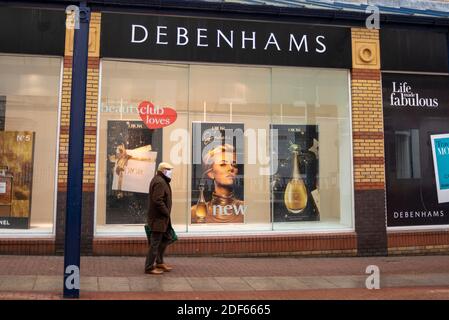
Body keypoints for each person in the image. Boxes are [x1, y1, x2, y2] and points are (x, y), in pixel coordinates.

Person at [191, 144, 245, 223]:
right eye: (223, 164)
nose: (231, 168)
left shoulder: (247, 209)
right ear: (211, 173)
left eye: (234, 165)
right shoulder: (194, 212)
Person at [145, 162, 175, 275]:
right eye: (168, 169)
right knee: (155, 243)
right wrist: (166, 212)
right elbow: (158, 200)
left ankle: (159, 262)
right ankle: (149, 267)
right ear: (163, 170)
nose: (170, 172)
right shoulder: (160, 182)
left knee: (167, 238)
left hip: (162, 219)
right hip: (159, 218)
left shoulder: (161, 180)